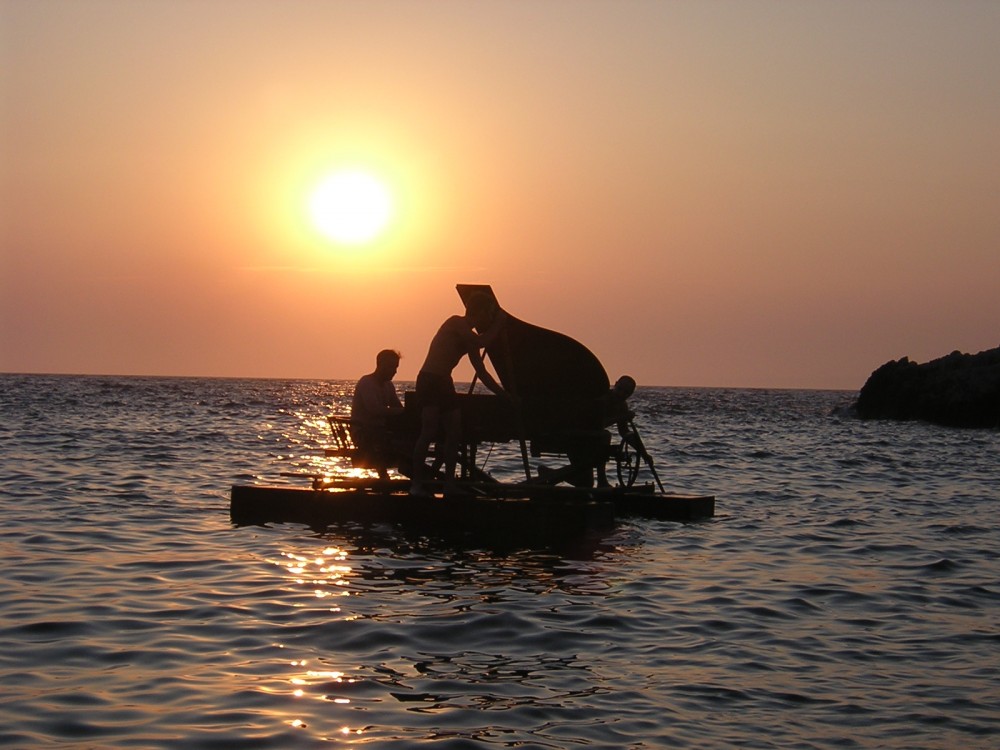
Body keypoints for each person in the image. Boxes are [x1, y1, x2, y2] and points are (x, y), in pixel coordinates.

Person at [410, 292, 508, 495]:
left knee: (454, 433)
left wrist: (503, 394)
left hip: (445, 382)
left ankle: (449, 485)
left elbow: (482, 372)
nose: (489, 318)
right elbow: (482, 342)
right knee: (428, 431)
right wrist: (499, 322)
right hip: (429, 379)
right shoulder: (456, 322)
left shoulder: (469, 338)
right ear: (479, 312)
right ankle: (416, 484)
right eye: (488, 313)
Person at [350, 349, 405, 479]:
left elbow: (397, 407)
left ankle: (410, 466)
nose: (395, 371)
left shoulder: (388, 385)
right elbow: (374, 410)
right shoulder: (366, 383)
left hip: (380, 431)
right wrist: (401, 412)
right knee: (381, 436)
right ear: (381, 365)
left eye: (396, 367)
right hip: (363, 433)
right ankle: (387, 473)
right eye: (392, 367)